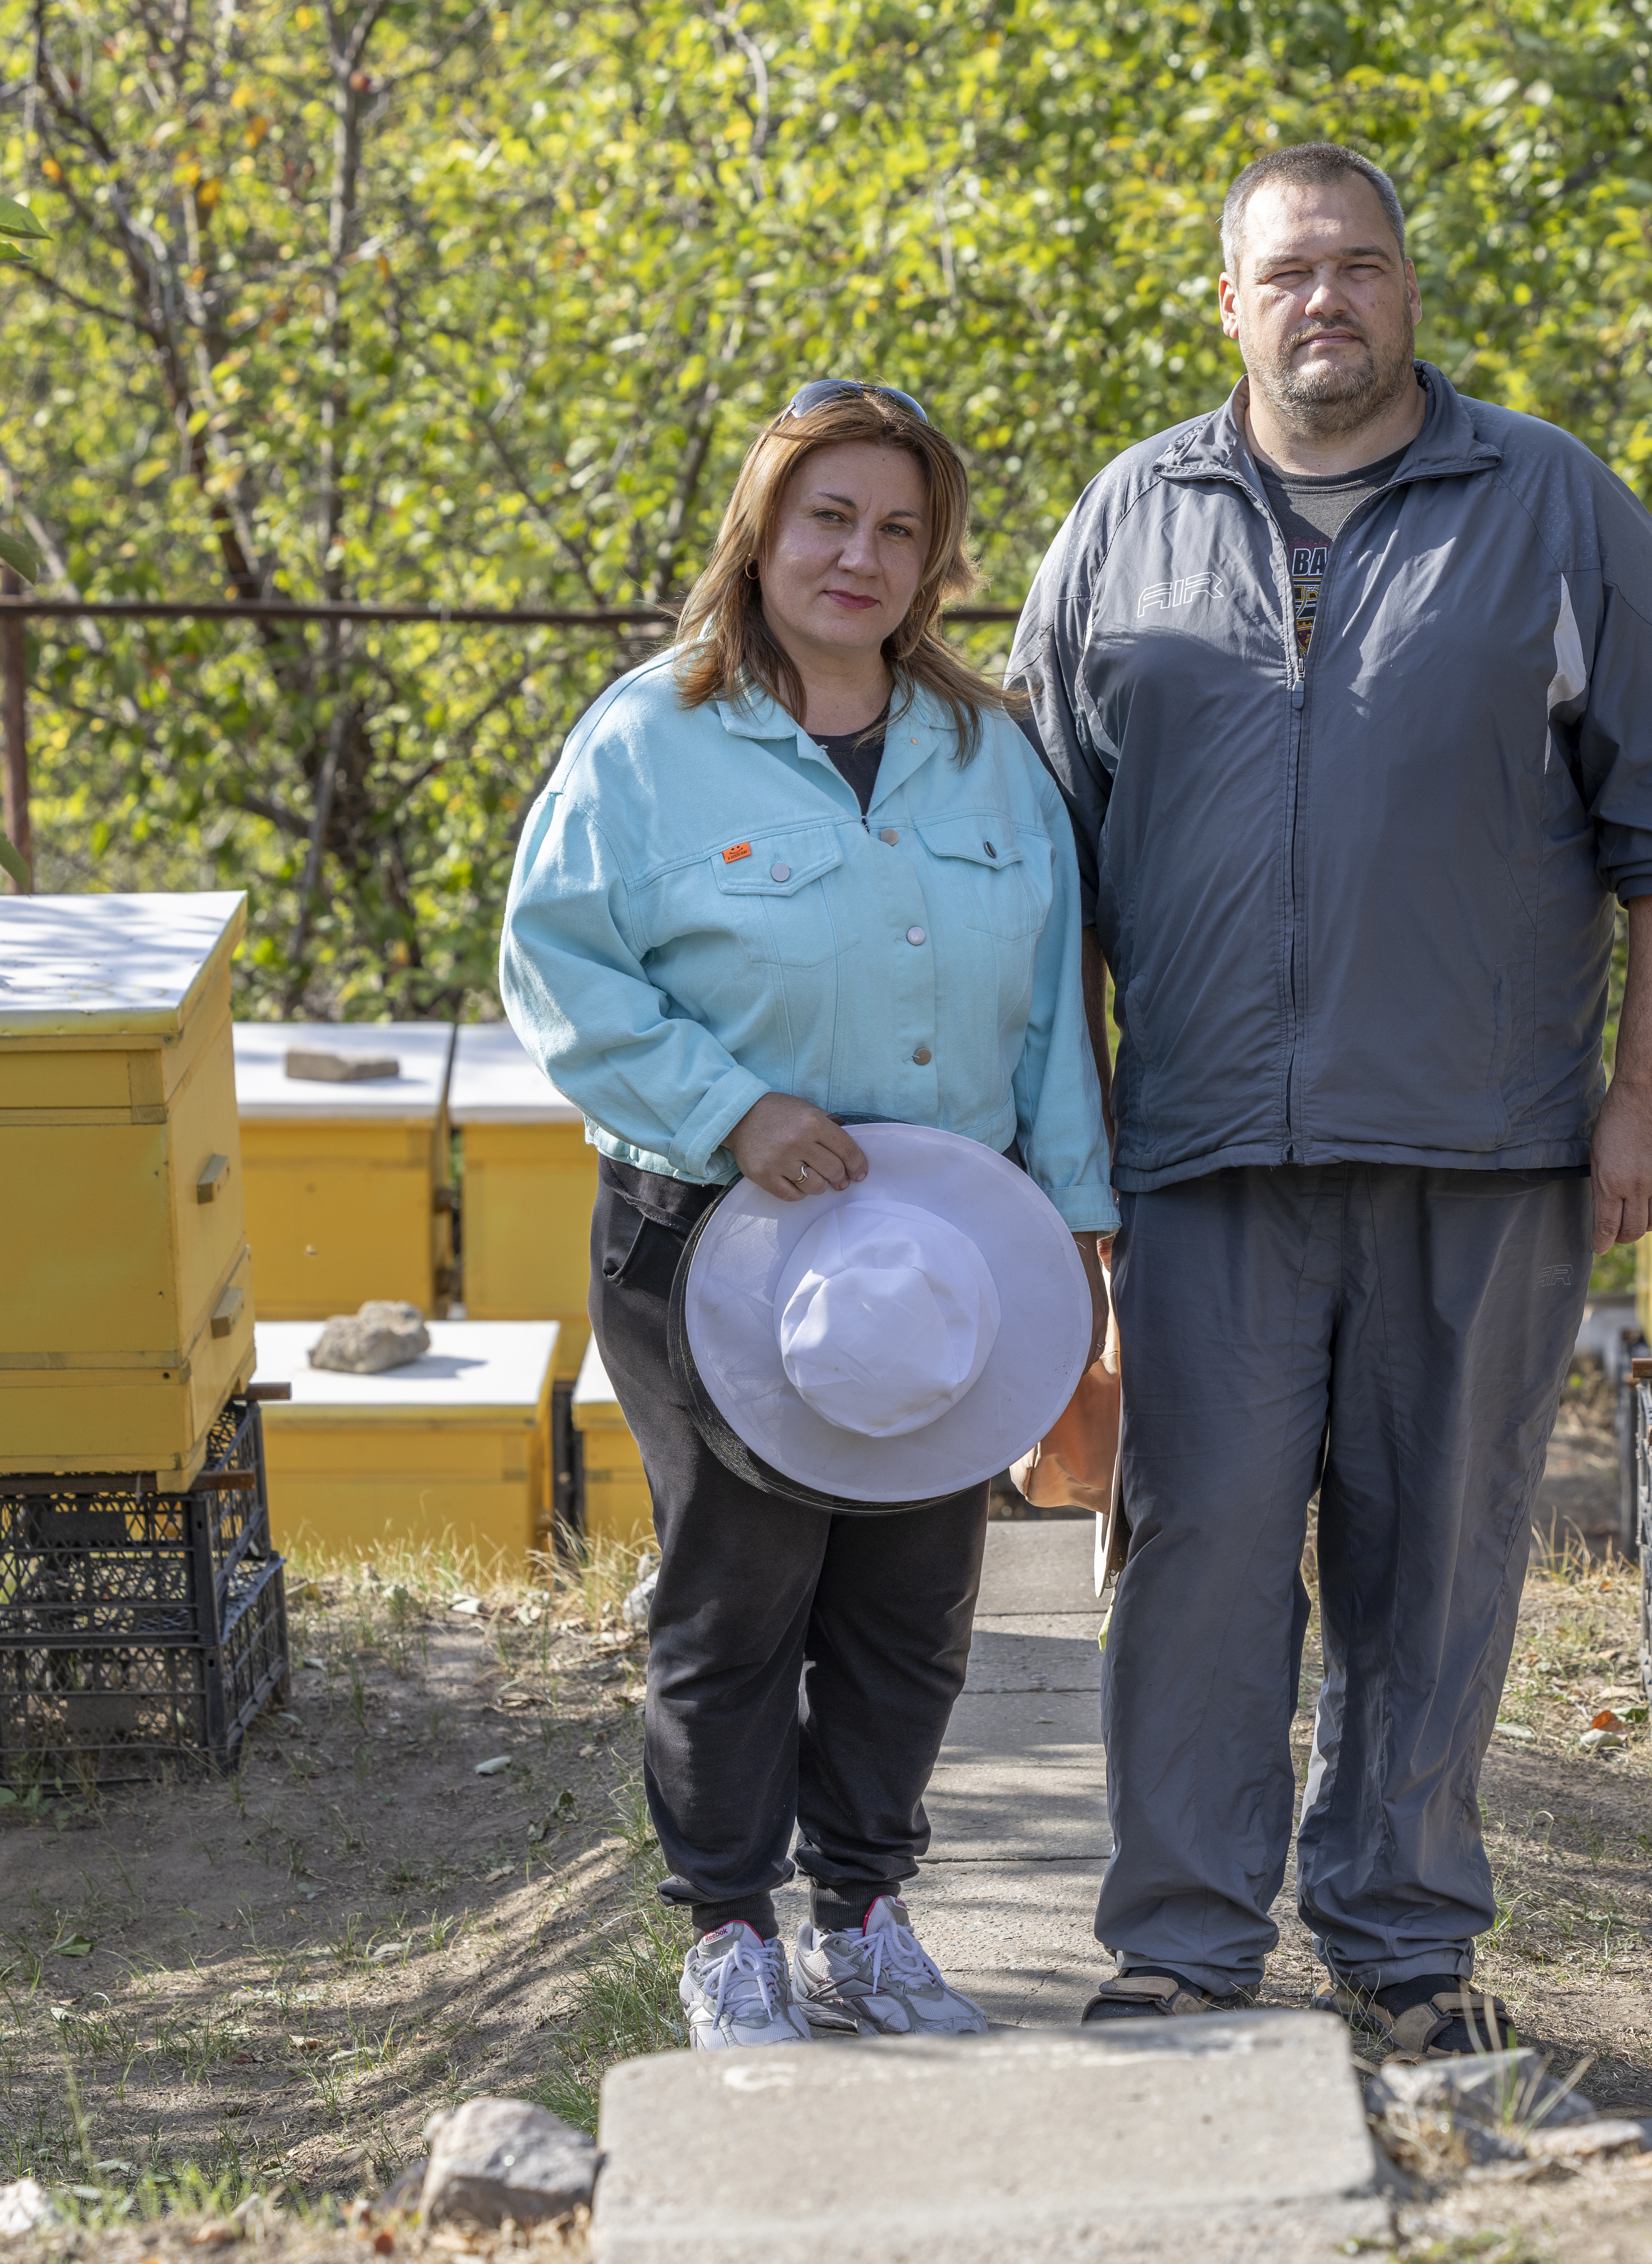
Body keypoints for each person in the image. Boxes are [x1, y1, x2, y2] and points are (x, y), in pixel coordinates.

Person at [1010, 144, 1652, 2058]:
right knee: (1193, 1547)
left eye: (1358, 267)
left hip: (1485, 1146)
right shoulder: (1127, 519)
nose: (1323, 303)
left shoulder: (1548, 507)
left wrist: (1647, 1097)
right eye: (1286, 274)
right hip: (1199, 1157)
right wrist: (1051, 1156)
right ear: (1228, 306)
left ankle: (1402, 1942)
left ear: (1409, 291)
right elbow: (1029, 861)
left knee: (1433, 1550)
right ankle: (1183, 1939)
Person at [504, 380, 1118, 2049]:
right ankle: (726, 1929)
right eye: (828, 517)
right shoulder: (648, 737)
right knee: (738, 1595)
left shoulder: (990, 752)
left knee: (912, 1612)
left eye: (898, 528)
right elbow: (555, 969)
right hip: (711, 1245)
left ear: (935, 561)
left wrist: (1073, 1230)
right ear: (761, 532)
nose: (860, 555)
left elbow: (1057, 1007)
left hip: (943, 1263)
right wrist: (735, 1109)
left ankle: (864, 1910)